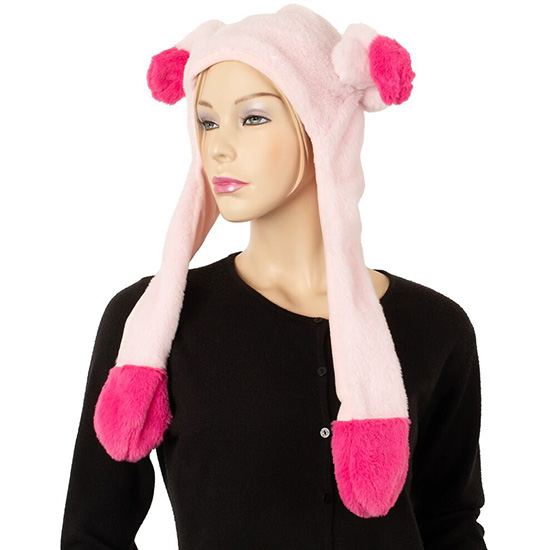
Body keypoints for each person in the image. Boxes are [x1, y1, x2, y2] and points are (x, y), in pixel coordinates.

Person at [61, 5, 488, 549]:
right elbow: (93, 534)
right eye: (207, 121)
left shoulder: (436, 327)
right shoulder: (153, 322)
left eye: (253, 117)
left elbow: (451, 525)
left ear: (323, 122)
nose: (218, 146)